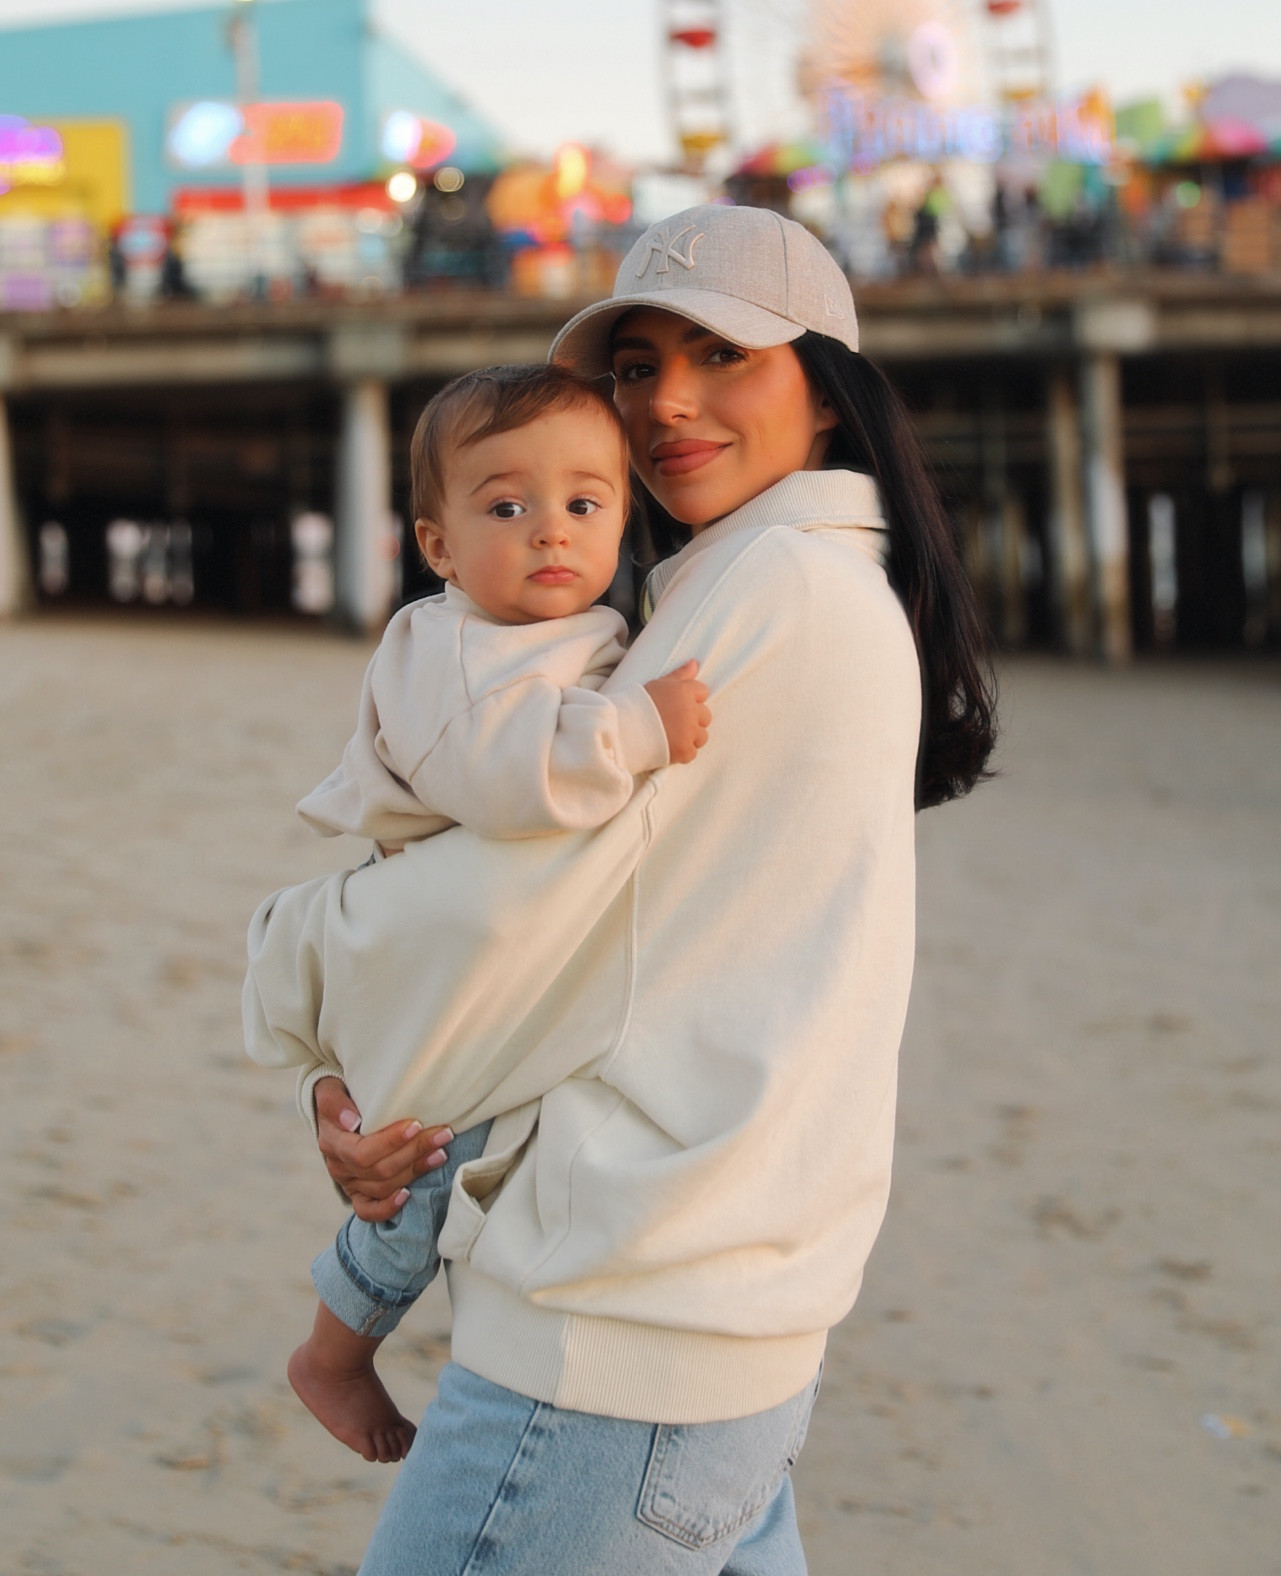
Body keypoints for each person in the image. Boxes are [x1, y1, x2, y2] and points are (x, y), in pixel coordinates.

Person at [244, 203, 997, 1574]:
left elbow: (515, 918)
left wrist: (296, 999)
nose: (668, 404)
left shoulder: (769, 588)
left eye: (723, 356)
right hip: (722, 1318)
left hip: (619, 1340)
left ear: (824, 394)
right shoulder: (785, 577)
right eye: (638, 365)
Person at [284, 362, 712, 1463]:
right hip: (429, 954)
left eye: (584, 503)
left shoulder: (566, 629)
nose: (549, 533)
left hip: (478, 947)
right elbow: (504, 784)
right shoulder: (451, 649)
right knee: (424, 1153)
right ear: (437, 546)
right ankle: (334, 1349)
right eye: (506, 507)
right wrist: (640, 733)